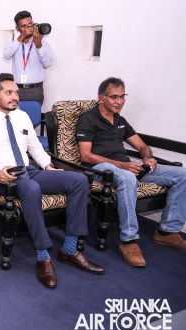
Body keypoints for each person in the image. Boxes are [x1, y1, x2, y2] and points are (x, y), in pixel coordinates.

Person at [0, 73, 105, 288]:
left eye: (16, 92)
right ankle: (43, 256)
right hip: (3, 178)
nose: (15, 97)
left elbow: (35, 147)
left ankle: (70, 249)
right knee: (32, 188)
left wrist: (48, 166)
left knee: (79, 180)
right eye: (9, 92)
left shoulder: (22, 116)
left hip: (29, 171)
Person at [77, 77, 186, 267]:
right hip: (101, 168)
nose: (119, 101)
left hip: (126, 167)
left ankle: (167, 232)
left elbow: (142, 146)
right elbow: (86, 155)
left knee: (182, 175)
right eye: (114, 97)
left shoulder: (120, 120)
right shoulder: (88, 119)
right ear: (101, 98)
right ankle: (129, 241)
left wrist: (148, 158)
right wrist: (122, 166)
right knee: (128, 177)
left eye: (122, 97)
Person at [2, 10, 53, 105]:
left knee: (34, 114)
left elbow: (47, 64)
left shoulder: (42, 43)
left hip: (36, 90)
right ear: (17, 28)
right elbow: (6, 55)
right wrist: (21, 37)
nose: (28, 28)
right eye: (23, 26)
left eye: (30, 24)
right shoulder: (13, 43)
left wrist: (38, 45)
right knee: (16, 115)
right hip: (16, 90)